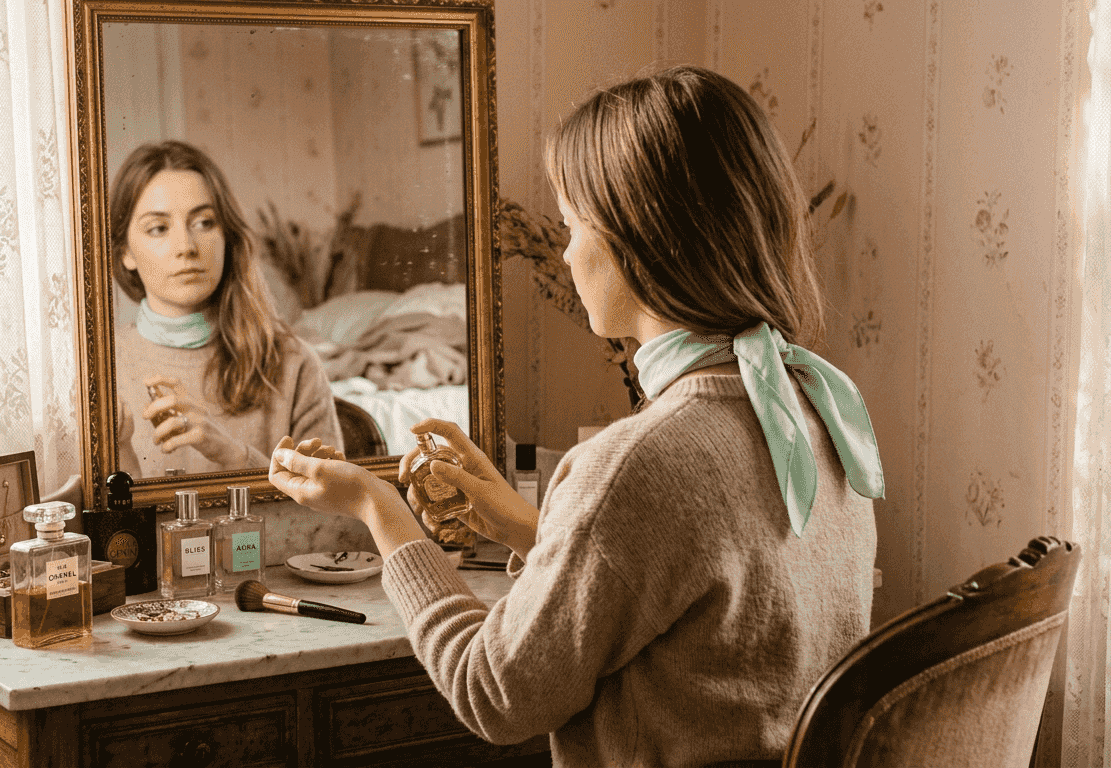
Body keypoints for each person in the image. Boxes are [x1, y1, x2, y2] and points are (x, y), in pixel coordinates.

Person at [267, 65, 883, 767]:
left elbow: (494, 695)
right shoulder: (817, 410)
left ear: (639, 239)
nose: (563, 254)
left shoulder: (638, 462)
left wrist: (379, 511)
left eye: (571, 226)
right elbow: (691, 604)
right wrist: (518, 522)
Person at [110, 140, 342, 478]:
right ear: (125, 254)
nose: (186, 247)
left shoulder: (295, 364)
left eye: (204, 223)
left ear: (227, 238)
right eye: (158, 228)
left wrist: (233, 455)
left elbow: (338, 518)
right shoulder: (99, 372)